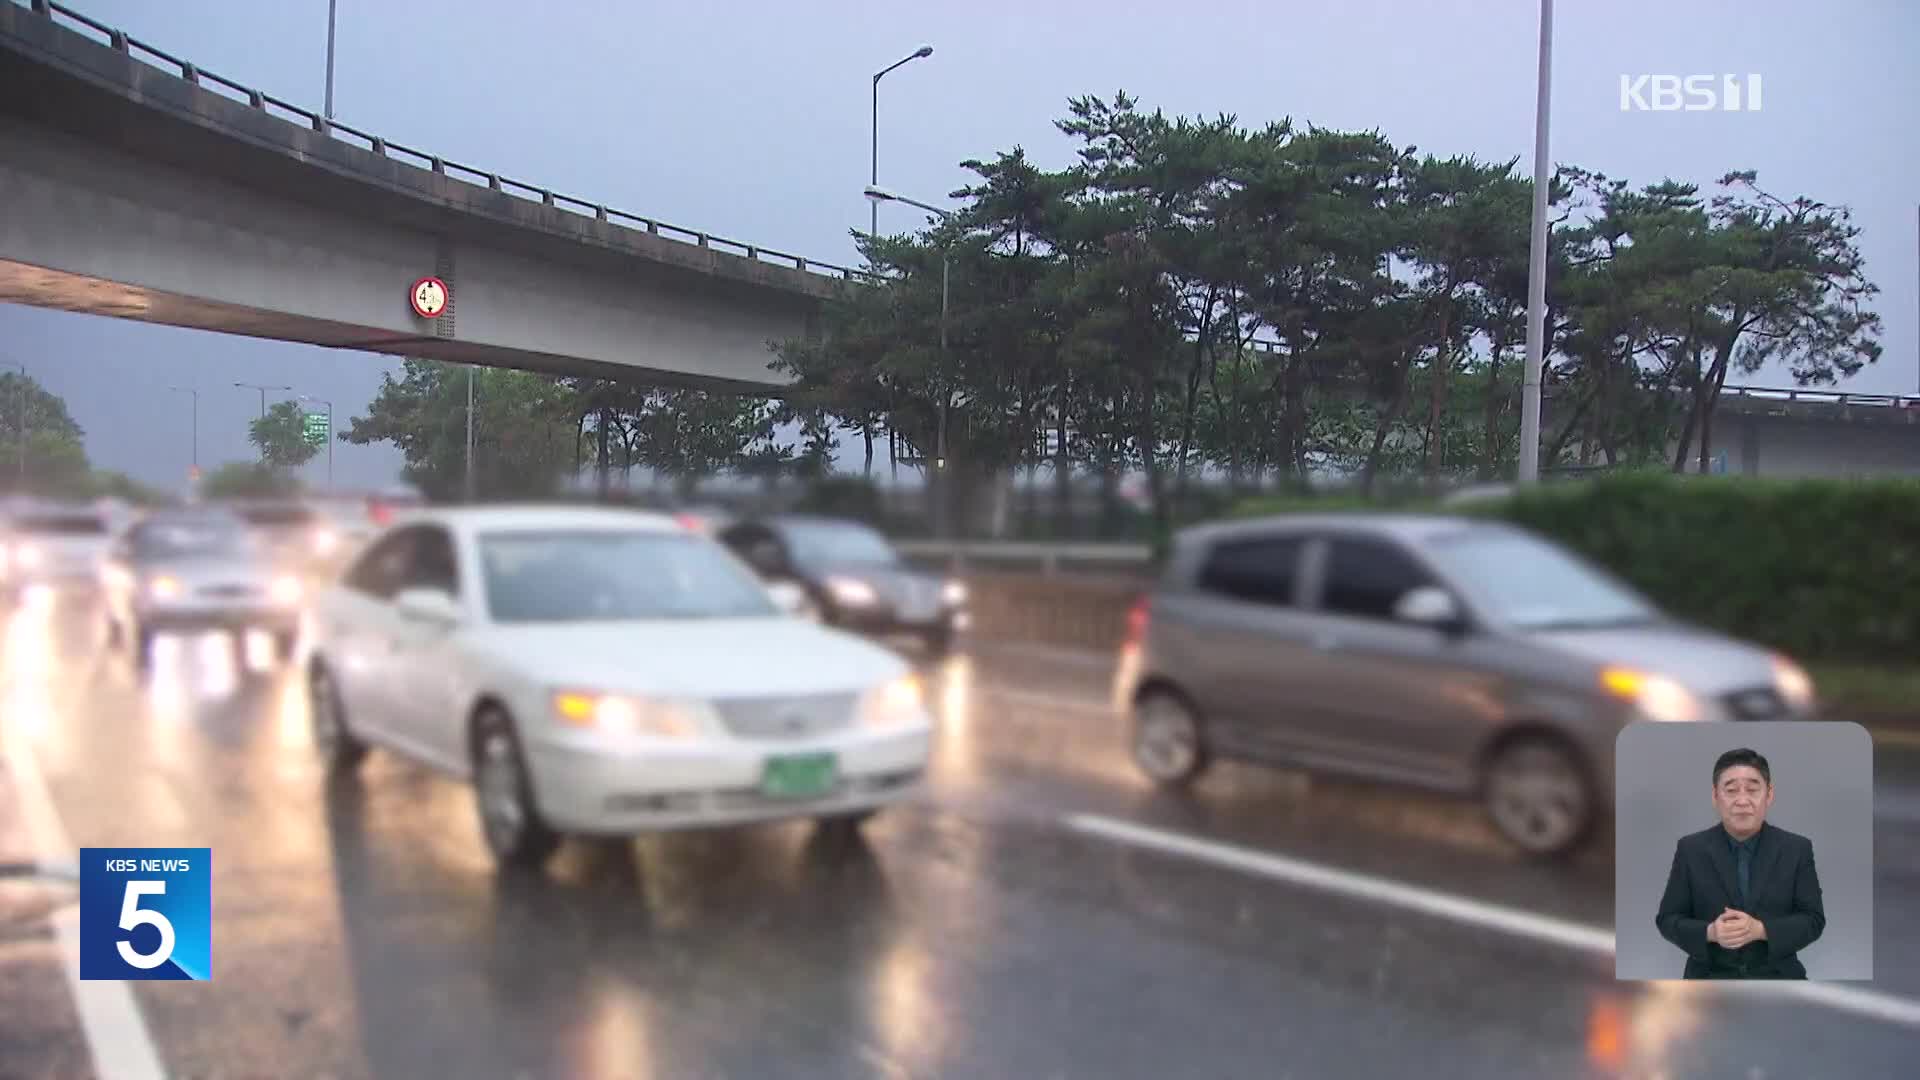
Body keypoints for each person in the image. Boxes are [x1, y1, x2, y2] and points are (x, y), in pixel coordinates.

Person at [1654, 747, 1826, 979]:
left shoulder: (1796, 849)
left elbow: (1813, 920)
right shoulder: (1691, 849)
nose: (1742, 800)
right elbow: (1668, 919)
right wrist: (1710, 932)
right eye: (1731, 790)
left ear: (1769, 794)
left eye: (1753, 790)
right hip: (1708, 979)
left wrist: (1761, 930)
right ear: (1715, 796)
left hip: (1778, 977)